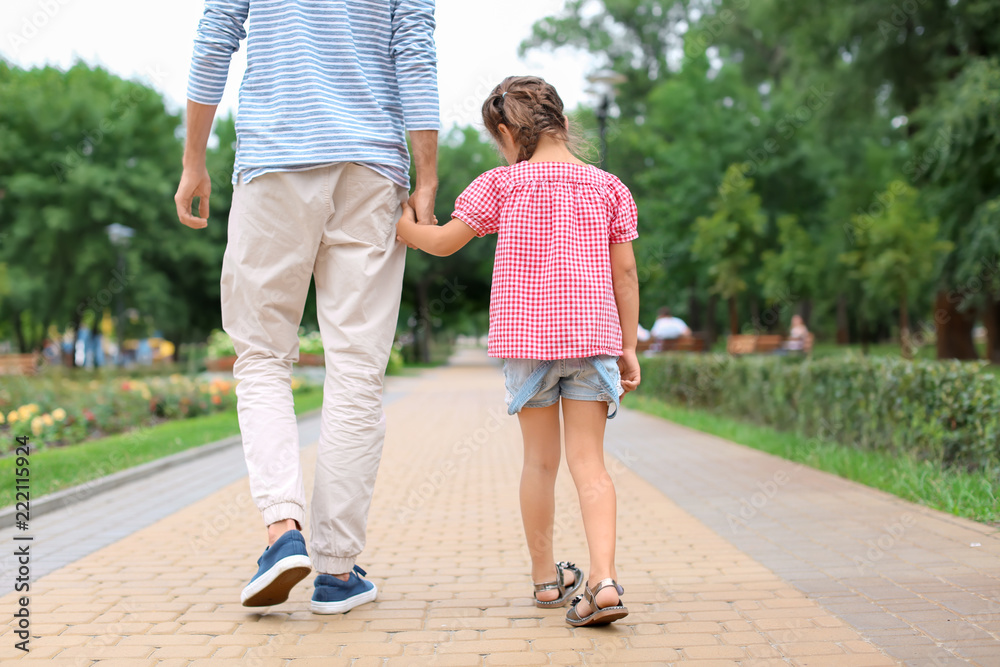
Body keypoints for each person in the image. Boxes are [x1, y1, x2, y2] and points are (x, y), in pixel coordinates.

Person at [174, 0, 440, 614]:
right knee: (357, 367)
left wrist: (194, 160)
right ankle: (338, 571)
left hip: (275, 159)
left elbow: (217, 33)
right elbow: (415, 52)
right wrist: (425, 176)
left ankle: (281, 533)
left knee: (262, 354)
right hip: (372, 168)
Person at [396, 76, 639, 627]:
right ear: (562, 122)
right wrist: (628, 345)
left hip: (528, 346)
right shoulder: (608, 186)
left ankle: (546, 583)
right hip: (593, 339)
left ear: (506, 131)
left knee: (539, 463)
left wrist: (402, 224)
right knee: (590, 465)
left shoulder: (501, 186)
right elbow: (625, 273)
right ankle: (603, 582)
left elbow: (440, 243)